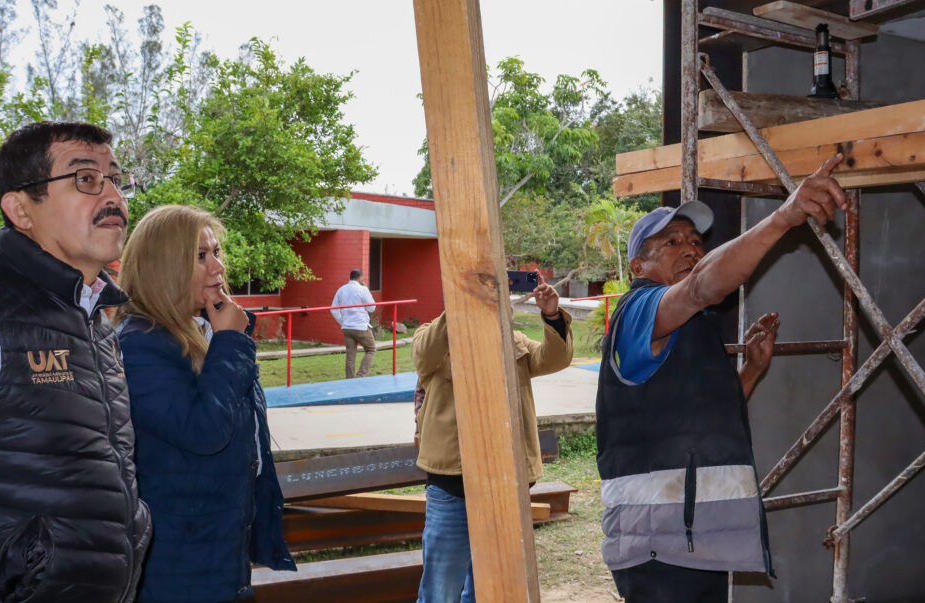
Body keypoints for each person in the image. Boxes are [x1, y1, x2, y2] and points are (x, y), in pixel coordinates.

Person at [597, 154, 847, 602]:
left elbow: (703, 420)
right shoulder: (639, 310)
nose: (691, 248)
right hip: (659, 546)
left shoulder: (688, 328)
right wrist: (785, 216)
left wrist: (751, 370)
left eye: (695, 241)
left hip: (697, 541)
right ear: (638, 267)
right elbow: (701, 287)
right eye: (671, 242)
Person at [0, 121, 151, 603]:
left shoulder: (94, 317)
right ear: (21, 209)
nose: (114, 198)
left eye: (116, 179)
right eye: (85, 179)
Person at [113, 205, 295, 603]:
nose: (217, 267)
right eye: (200, 256)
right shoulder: (140, 343)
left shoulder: (204, 332)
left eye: (216, 252)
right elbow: (205, 430)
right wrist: (230, 343)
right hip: (176, 566)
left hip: (220, 551)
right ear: (163, 267)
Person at [413, 283, 574, 602]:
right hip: (452, 484)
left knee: (491, 587)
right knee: (440, 590)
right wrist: (461, 308)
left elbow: (553, 358)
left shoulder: (513, 342)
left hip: (507, 482)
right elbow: (423, 356)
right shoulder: (431, 336)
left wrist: (552, 314)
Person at [331, 269, 377, 378]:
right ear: (361, 278)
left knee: (350, 355)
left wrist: (342, 321)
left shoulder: (341, 290)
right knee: (371, 350)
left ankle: (350, 379)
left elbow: (333, 309)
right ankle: (361, 376)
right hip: (361, 326)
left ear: (350, 277)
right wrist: (366, 290)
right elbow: (372, 308)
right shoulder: (363, 289)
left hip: (347, 327)